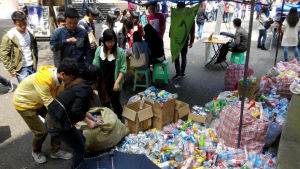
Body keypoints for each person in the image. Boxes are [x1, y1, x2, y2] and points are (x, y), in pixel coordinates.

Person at [13, 58, 79, 164]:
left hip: (39, 101)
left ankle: (55, 151)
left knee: (59, 122)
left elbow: (60, 101)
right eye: (71, 78)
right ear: (63, 74)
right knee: (41, 132)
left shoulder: (60, 78)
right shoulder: (44, 80)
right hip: (24, 103)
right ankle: (36, 151)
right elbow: (52, 106)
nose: (72, 81)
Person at [45, 64, 99, 169]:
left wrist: (93, 119)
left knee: (81, 140)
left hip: (56, 120)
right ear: (96, 79)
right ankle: (77, 166)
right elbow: (76, 110)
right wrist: (90, 123)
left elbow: (78, 108)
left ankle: (81, 160)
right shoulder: (86, 89)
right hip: (57, 124)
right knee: (80, 148)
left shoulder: (78, 83)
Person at [93, 29, 127, 120]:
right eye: (108, 41)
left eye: (113, 41)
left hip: (114, 83)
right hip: (102, 84)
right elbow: (95, 66)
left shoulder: (119, 52)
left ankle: (120, 122)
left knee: (116, 104)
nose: (111, 44)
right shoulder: (99, 50)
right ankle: (109, 122)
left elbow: (123, 69)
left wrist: (117, 82)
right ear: (104, 41)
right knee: (105, 105)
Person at [0, 11, 38, 83]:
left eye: (24, 23)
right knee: (25, 91)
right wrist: (11, 70)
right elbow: (3, 54)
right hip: (21, 69)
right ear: (14, 23)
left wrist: (35, 63)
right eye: (20, 24)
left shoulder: (31, 33)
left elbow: (35, 49)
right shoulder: (9, 36)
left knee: (34, 89)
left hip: (32, 66)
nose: (23, 26)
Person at [171, 2, 195, 79]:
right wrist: (191, 41)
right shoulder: (190, 17)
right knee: (183, 56)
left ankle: (178, 73)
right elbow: (192, 31)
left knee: (177, 57)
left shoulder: (175, 16)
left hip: (176, 40)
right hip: (185, 39)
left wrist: (170, 35)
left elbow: (172, 28)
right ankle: (182, 72)